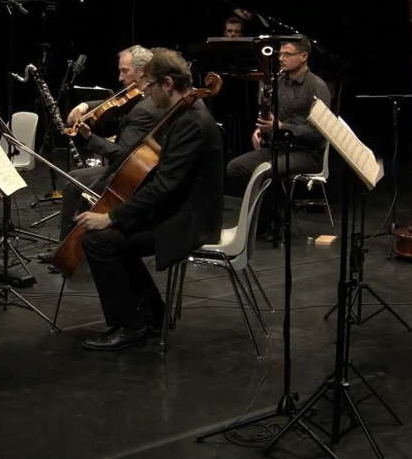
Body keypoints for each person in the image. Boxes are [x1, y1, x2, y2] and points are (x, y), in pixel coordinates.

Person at [74, 48, 223, 351]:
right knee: (111, 238)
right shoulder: (184, 113)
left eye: (150, 84)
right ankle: (152, 314)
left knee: (99, 240)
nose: (146, 91)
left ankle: (130, 326)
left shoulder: (191, 122)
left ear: (167, 84)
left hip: (188, 220)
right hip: (176, 209)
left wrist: (112, 216)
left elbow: (164, 186)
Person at [225, 36, 331, 234]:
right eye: (280, 54)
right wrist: (261, 129)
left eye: (287, 54)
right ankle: (270, 215)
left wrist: (282, 126)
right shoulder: (278, 82)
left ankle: (268, 221)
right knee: (235, 168)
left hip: (306, 152)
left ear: (303, 56)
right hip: (278, 147)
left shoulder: (317, 86)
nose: (281, 58)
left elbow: (319, 134)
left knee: (266, 172)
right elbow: (269, 116)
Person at [56, 45, 162, 239]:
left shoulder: (146, 108)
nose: (120, 78)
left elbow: (122, 155)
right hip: (131, 168)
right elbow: (115, 101)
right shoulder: (142, 95)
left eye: (125, 71)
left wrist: (89, 137)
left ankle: (68, 249)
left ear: (142, 72)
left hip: (133, 175)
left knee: (73, 182)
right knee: (74, 176)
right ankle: (70, 243)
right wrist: (85, 104)